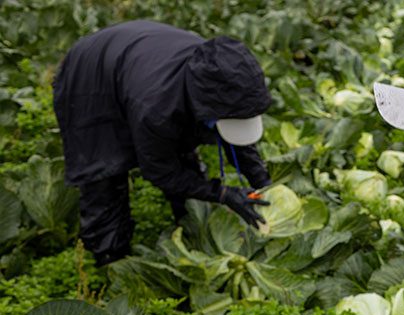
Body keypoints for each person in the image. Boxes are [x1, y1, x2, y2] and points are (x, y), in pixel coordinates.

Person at [53, 20, 271, 266]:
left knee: (182, 156)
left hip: (142, 60)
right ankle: (110, 263)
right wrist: (222, 193)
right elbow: (160, 171)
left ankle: (192, 232)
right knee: (104, 177)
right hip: (92, 78)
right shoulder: (155, 108)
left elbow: (236, 135)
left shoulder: (219, 77)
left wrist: (263, 183)